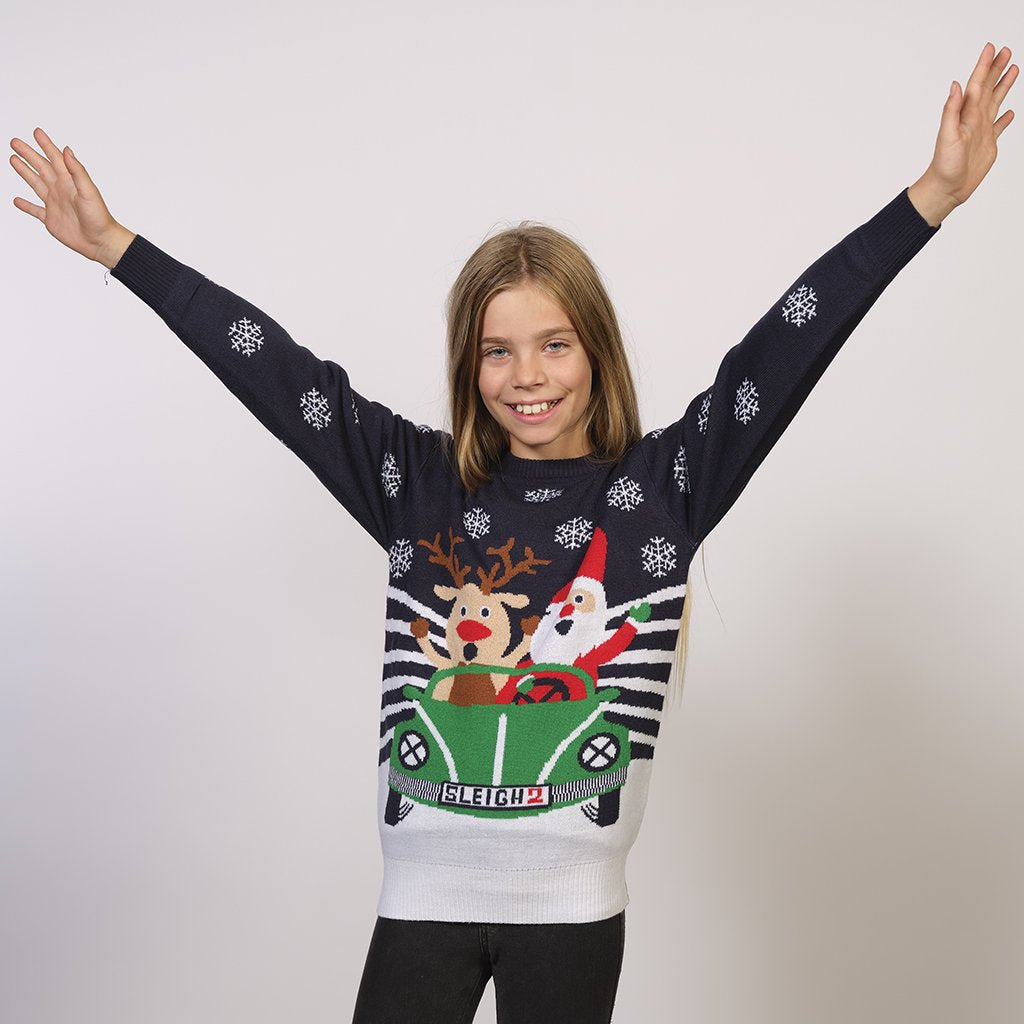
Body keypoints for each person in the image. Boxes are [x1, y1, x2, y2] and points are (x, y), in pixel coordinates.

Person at [9, 41, 1016, 1024]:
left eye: (553, 345)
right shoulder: (416, 485)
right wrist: (121, 250)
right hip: (421, 903)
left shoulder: (664, 488)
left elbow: (787, 343)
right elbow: (272, 369)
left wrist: (928, 198)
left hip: (573, 918)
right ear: (469, 364)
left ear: (595, 351)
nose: (526, 377)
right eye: (497, 351)